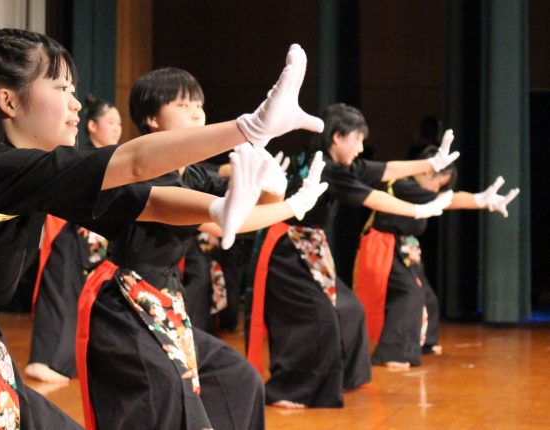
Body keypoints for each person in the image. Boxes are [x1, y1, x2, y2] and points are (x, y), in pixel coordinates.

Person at [0, 29, 324, 429]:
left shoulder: (31, 178)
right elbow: (135, 163)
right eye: (61, 88)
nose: (75, 105)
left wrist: (219, 207)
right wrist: (248, 128)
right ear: (8, 101)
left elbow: (149, 201)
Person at [75, 66, 327, 430]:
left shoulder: (192, 172)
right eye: (183, 105)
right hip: (123, 303)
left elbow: (249, 213)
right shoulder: (143, 171)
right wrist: (294, 205)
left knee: (238, 379)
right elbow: (226, 220)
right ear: (152, 118)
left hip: (164, 294)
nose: (196, 113)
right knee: (165, 396)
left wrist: (274, 187)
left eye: (199, 105)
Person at [247, 103, 458, 409]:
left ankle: (346, 376)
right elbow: (374, 197)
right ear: (337, 137)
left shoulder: (338, 165)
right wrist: (419, 209)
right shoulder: (326, 167)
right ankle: (287, 389)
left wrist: (430, 164)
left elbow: (385, 169)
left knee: (349, 310)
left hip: (309, 247)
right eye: (357, 139)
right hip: (285, 251)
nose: (361, 147)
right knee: (317, 317)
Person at [354, 145, 519, 369]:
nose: (436, 189)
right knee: (408, 293)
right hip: (382, 244)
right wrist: (480, 200)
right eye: (437, 183)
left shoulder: (414, 188)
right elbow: (447, 200)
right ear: (426, 172)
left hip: (404, 245)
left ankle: (425, 342)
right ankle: (393, 353)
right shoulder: (402, 184)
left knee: (425, 295)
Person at [25, 95, 120, 383]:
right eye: (110, 122)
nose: (117, 128)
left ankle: (76, 359)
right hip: (70, 233)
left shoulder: (115, 157)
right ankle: (45, 360)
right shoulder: (83, 154)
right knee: (60, 293)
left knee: (89, 298)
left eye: (119, 123)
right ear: (92, 126)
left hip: (97, 240)